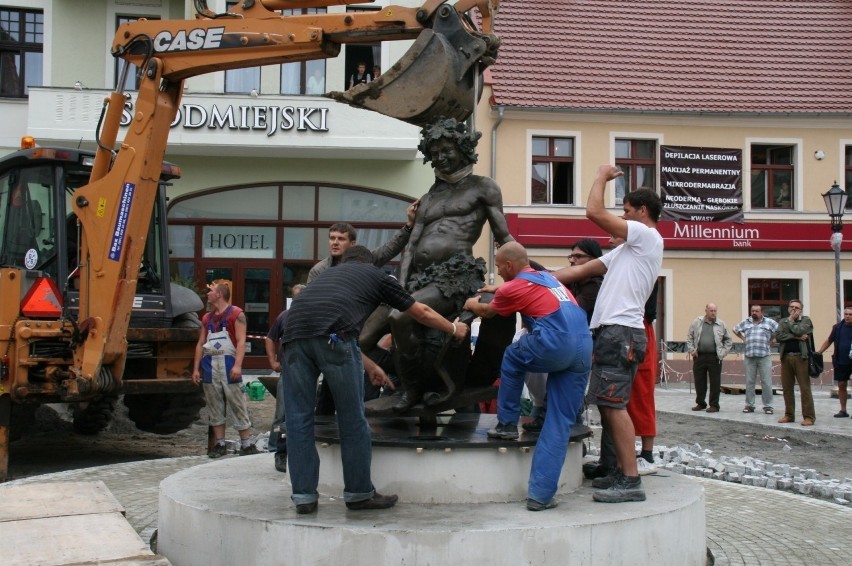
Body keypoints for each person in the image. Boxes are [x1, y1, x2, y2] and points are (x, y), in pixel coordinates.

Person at [281, 245, 469, 514]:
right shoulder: (378, 276)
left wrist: (366, 365)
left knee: (298, 419)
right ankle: (358, 493)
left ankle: (303, 497)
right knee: (351, 418)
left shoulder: (325, 278)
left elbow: (319, 327)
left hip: (293, 338)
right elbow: (420, 312)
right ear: (370, 263)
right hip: (335, 339)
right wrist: (453, 327)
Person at [361, 117, 514, 412]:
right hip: (418, 279)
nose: (440, 158)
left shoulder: (484, 187)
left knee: (400, 318)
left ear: (462, 148)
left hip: (455, 277)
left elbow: (503, 237)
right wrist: (402, 287)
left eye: (446, 150)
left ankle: (412, 389)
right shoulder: (429, 198)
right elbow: (411, 246)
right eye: (435, 153)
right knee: (365, 337)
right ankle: (418, 373)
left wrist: (525, 278)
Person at [552, 165, 663, 504]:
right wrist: (526, 275)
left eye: (627, 211)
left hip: (621, 333)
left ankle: (630, 480)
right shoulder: (625, 252)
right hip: (612, 333)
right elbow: (577, 271)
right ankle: (615, 469)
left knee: (614, 406)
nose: (623, 217)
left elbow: (593, 212)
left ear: (642, 212)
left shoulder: (646, 236)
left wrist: (600, 177)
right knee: (609, 404)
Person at [464, 242, 592, 511]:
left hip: (555, 342)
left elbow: (488, 312)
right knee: (559, 421)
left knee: (512, 356)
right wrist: (500, 289)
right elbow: (524, 287)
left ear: (509, 265)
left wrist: (471, 303)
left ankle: (507, 424)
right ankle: (540, 496)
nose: (498, 273)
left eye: (499, 267)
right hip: (583, 346)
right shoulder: (546, 278)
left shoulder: (513, 286)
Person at [308, 208, 416, 415]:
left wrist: (409, 226)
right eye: (332, 238)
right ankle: (324, 428)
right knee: (329, 391)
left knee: (366, 389)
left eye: (341, 238)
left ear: (352, 244)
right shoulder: (319, 271)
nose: (335, 242)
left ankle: (365, 423)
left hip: (361, 336)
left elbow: (389, 248)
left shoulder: (364, 261)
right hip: (333, 338)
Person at [191, 282, 260, 457]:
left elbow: (242, 341)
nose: (208, 294)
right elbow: (200, 344)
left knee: (237, 402)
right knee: (214, 405)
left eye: (211, 291)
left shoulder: (236, 314)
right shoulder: (206, 318)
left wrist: (237, 365)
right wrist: (196, 368)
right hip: (210, 364)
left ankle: (246, 444)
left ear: (219, 294)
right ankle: (219, 444)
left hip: (229, 363)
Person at [265, 283, 305, 473]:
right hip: (287, 372)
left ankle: (294, 449)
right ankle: (277, 449)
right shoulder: (284, 316)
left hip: (306, 374)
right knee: (282, 414)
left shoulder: (310, 317)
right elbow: (269, 338)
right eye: (295, 299)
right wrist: (272, 361)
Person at [775, 299, 816, 426]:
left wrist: (792, 323)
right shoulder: (782, 321)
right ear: (788, 308)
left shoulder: (806, 321)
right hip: (786, 357)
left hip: (801, 358)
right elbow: (778, 337)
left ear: (801, 310)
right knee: (787, 388)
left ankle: (809, 416)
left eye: (796, 308)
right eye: (791, 307)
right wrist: (796, 337)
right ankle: (789, 414)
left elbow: (800, 331)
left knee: (805, 388)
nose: (794, 309)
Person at [686, 303, 733, 413]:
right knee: (699, 381)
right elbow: (690, 337)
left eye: (715, 310)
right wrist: (692, 350)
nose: (713, 313)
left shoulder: (721, 324)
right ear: (706, 311)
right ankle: (700, 403)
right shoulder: (697, 322)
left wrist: (723, 352)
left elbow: (728, 340)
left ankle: (714, 405)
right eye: (711, 310)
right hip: (699, 356)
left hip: (715, 357)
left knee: (715, 382)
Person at [734, 305, 779, 415]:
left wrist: (774, 339)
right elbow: (735, 329)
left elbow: (781, 330)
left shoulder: (769, 322)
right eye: (753, 311)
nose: (754, 313)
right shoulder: (746, 322)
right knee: (750, 382)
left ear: (761, 312)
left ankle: (768, 406)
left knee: (766, 382)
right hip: (750, 357)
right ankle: (749, 405)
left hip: (764, 356)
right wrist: (743, 338)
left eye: (757, 311)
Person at [818, 307, 852, 418]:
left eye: (850, 314)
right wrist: (819, 352)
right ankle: (843, 410)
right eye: (846, 314)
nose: (847, 316)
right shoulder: (837, 327)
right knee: (842, 384)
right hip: (841, 360)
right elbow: (829, 340)